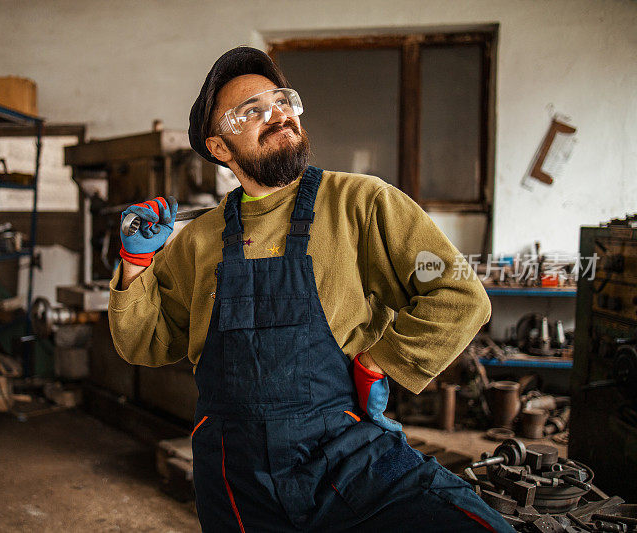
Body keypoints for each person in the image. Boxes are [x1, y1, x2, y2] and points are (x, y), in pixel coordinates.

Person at [109, 47, 513, 532]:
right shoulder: (198, 239)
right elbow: (143, 343)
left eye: (280, 100)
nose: (276, 114)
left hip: (347, 456)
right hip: (233, 475)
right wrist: (136, 263)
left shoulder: (361, 203)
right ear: (219, 148)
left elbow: (459, 293)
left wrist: (379, 360)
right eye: (251, 110)